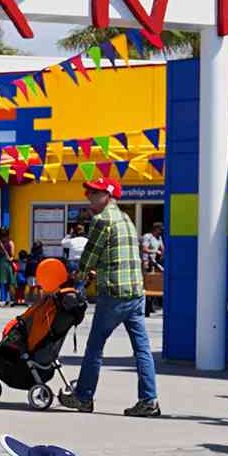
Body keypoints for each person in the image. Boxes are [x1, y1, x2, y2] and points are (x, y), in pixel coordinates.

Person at [58, 173, 161, 417]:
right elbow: (116, 254)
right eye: (88, 192)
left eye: (94, 192)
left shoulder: (103, 220)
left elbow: (89, 255)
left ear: (108, 196)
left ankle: (84, 397)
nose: (89, 196)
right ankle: (149, 400)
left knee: (95, 346)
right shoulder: (125, 217)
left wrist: (77, 278)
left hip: (114, 294)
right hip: (136, 292)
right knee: (142, 349)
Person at [0, 229, 17, 308]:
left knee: (2, 283)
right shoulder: (9, 242)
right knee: (4, 283)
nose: (3, 238)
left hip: (1, 263)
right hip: (3, 264)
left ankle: (2, 300)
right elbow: (12, 255)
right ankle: (5, 300)